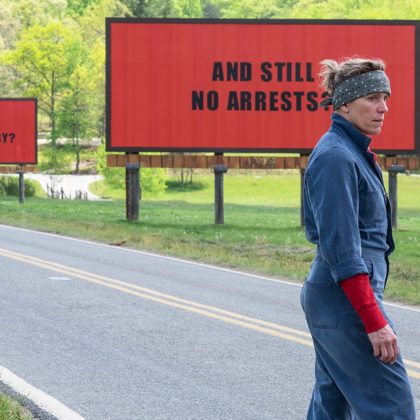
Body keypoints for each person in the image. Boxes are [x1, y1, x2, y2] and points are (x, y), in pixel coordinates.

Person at [301, 57, 416, 419]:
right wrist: (374, 320)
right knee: (391, 406)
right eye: (372, 98)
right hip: (344, 298)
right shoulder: (336, 157)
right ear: (345, 104)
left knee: (331, 406)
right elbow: (343, 251)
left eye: (385, 97)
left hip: (339, 297)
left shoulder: (351, 151)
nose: (383, 108)